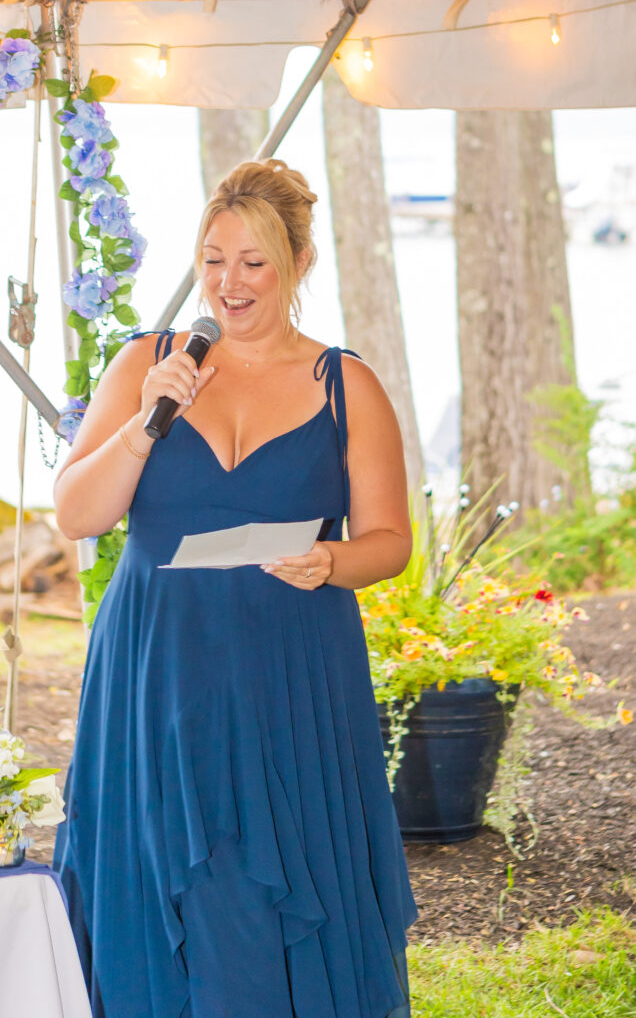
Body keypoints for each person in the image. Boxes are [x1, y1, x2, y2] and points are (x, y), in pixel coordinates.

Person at [53, 158, 418, 1018]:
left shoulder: (346, 384)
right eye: (214, 259)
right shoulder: (147, 360)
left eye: (253, 261)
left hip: (289, 673)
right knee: (164, 870)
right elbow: (77, 514)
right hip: (157, 668)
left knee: (265, 883)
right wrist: (149, 420)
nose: (229, 282)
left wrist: (333, 562)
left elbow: (391, 541)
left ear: (296, 263)